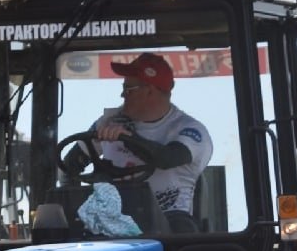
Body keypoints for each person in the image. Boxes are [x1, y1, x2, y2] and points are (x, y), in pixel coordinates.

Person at [82, 52, 212, 234]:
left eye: (128, 89)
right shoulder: (108, 123)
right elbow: (69, 164)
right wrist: (98, 177)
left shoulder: (190, 130)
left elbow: (167, 158)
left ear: (150, 91)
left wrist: (128, 139)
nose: (122, 95)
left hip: (169, 225)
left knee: (180, 230)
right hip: (114, 222)